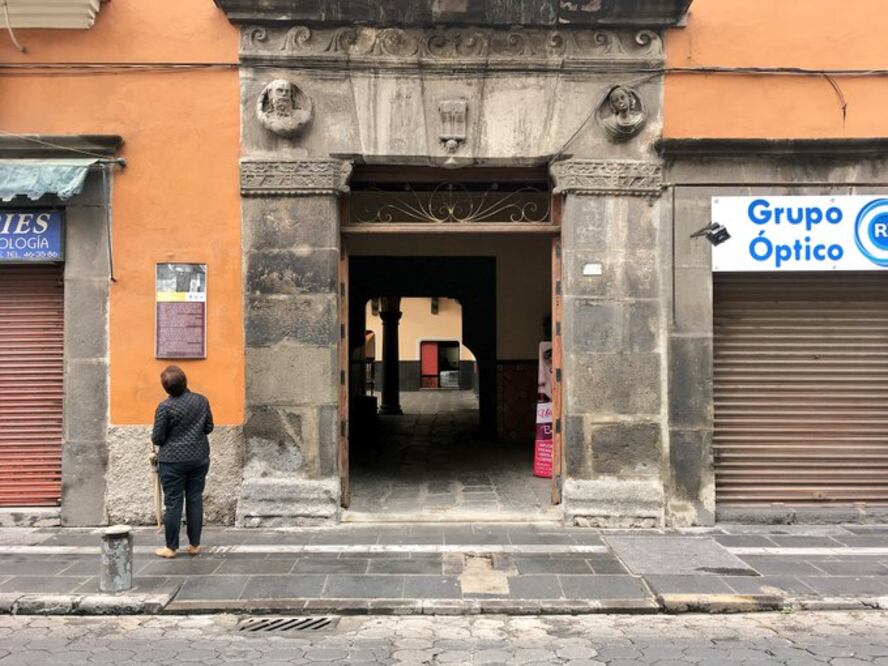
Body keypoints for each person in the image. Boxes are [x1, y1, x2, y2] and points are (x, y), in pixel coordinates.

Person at [151, 365, 214, 559]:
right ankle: (194, 545)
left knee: (173, 503)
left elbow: (158, 438)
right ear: (185, 381)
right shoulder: (201, 401)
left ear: (166, 388)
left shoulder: (165, 407)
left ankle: (171, 548)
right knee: (195, 499)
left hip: (172, 461)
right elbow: (209, 427)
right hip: (199, 458)